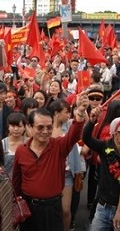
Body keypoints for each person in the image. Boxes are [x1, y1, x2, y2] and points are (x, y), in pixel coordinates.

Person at [13, 92, 89, 231]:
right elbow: (16, 182)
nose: (45, 131)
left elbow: (74, 135)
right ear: (29, 127)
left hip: (52, 209)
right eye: (40, 127)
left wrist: (80, 112)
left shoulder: (58, 146)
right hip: (28, 209)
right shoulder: (21, 151)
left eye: (49, 127)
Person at [83, 113, 120, 231]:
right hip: (103, 208)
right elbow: (86, 138)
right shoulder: (105, 147)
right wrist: (91, 121)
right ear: (116, 135)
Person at [48, 99, 85, 231]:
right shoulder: (46, 128)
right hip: (49, 173)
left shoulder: (69, 126)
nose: (69, 115)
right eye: (66, 112)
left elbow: (79, 125)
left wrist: (81, 111)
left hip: (66, 174)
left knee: (65, 210)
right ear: (56, 113)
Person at [2, 112, 27, 178]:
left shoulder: (30, 143)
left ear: (25, 127)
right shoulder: (2, 144)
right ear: (8, 127)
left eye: (19, 126)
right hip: (6, 182)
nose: (16, 129)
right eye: (13, 126)